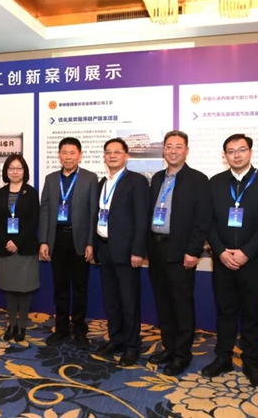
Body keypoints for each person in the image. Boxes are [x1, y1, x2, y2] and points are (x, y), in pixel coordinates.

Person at [203, 134, 258, 386]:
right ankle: (223, 357)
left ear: (250, 152)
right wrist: (220, 251)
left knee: (251, 312)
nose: (236, 155)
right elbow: (208, 221)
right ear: (224, 155)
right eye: (231, 151)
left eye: (241, 150)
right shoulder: (215, 182)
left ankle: (251, 362)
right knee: (225, 311)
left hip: (252, 260)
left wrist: (246, 252)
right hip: (223, 259)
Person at [147, 130, 212, 376]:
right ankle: (169, 347)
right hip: (157, 248)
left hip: (182, 250)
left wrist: (193, 251)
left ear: (186, 150)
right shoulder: (157, 178)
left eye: (178, 146)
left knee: (181, 304)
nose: (173, 151)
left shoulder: (197, 179)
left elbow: (203, 219)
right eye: (169, 146)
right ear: (163, 150)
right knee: (163, 302)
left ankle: (182, 354)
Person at [94, 138, 149, 366]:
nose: (112, 156)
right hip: (105, 248)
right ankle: (116, 339)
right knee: (112, 300)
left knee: (129, 301)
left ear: (126, 156)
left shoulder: (137, 181)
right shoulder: (102, 182)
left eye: (117, 152)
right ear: (104, 157)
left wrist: (138, 251)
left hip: (127, 253)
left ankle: (132, 346)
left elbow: (142, 218)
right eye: (108, 152)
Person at [38, 137, 98, 349]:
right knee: (60, 287)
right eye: (64, 152)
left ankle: (80, 330)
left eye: (72, 153)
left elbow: (93, 212)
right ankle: (61, 328)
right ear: (59, 155)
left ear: (80, 155)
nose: (68, 157)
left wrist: (91, 242)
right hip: (57, 238)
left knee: (80, 288)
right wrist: (44, 240)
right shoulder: (51, 179)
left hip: (80, 239)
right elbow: (45, 210)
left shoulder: (90, 178)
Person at [0, 154, 40, 342]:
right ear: (6, 171)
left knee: (24, 288)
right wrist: (7, 241)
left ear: (24, 171)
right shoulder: (0, 193)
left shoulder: (31, 192)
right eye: (11, 168)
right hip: (5, 247)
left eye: (19, 168)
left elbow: (33, 221)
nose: (15, 172)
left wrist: (17, 242)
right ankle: (11, 323)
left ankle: (22, 325)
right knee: (9, 287)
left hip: (25, 247)